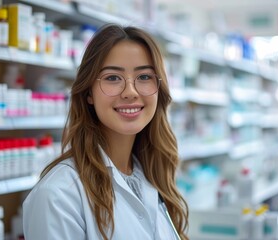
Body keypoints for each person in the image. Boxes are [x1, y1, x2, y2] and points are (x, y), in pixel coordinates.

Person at [22, 24, 189, 240]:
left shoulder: (153, 177)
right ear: (89, 93)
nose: (130, 92)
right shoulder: (58, 195)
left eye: (145, 77)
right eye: (112, 78)